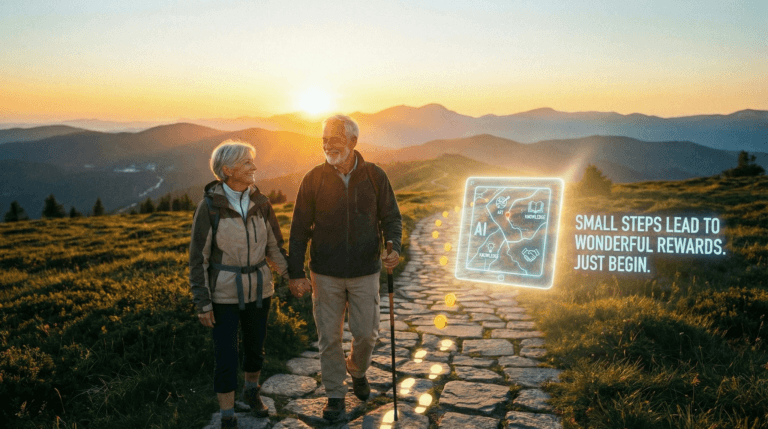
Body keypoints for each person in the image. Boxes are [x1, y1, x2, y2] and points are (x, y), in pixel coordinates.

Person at [288, 114, 402, 422]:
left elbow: (391, 218)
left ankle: (357, 370)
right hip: (325, 273)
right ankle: (335, 395)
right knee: (329, 337)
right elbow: (299, 229)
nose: (328, 145)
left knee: (367, 334)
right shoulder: (313, 178)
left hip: (366, 271)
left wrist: (394, 247)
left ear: (353, 141)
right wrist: (296, 273)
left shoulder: (375, 176)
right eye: (324, 140)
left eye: (335, 139)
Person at [189, 140, 291, 428]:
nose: (253, 167)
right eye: (247, 162)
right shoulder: (209, 208)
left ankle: (251, 392)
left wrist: (294, 278)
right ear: (228, 170)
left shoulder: (261, 203)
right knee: (226, 355)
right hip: (223, 295)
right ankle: (227, 414)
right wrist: (203, 303)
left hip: (260, 290)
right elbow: (198, 259)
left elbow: (274, 247)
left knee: (255, 348)